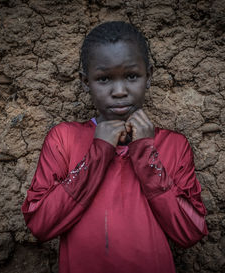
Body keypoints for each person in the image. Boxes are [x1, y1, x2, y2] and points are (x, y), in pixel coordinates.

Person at [22, 21, 208, 273]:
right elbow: (40, 225)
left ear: (149, 76)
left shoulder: (173, 145)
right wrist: (99, 152)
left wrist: (145, 153)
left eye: (131, 76)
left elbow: (190, 232)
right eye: (104, 79)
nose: (119, 91)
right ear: (86, 82)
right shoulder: (64, 139)